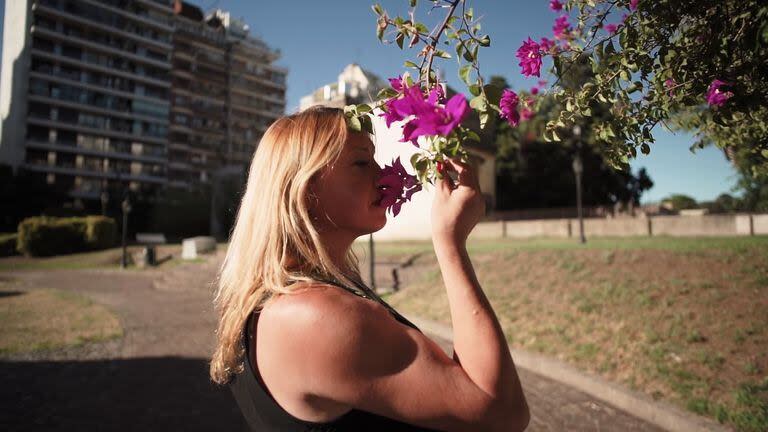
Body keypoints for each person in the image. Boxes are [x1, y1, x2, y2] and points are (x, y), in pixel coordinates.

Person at [209, 106, 530, 431]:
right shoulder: (317, 318)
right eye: (362, 162)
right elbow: (502, 414)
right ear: (304, 187)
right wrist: (450, 243)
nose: (384, 175)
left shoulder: (277, 302)